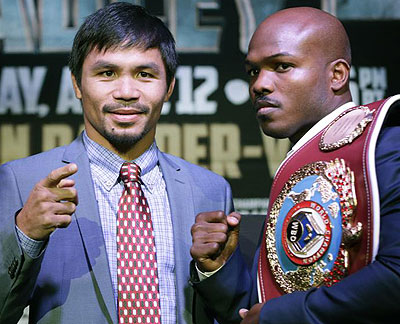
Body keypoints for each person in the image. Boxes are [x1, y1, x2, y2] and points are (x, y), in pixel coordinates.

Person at [0, 2, 233, 323]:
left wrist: (213, 271)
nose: (126, 92)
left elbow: (230, 311)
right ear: (77, 85)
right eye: (107, 73)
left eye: (145, 74)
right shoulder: (20, 179)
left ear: (170, 88)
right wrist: (26, 232)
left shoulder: (210, 188)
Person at [190, 6, 400, 324]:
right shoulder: (300, 164)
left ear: (337, 75)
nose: (259, 84)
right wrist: (218, 268)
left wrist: (284, 315)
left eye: (282, 66)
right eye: (253, 71)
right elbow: (259, 310)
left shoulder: (386, 145)